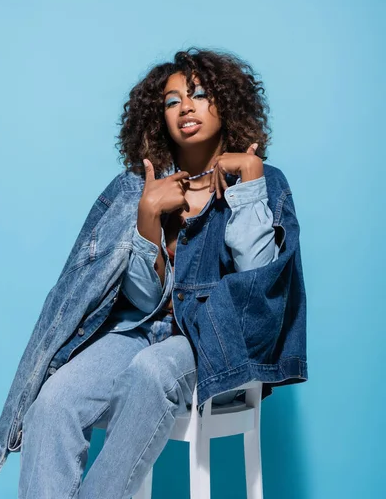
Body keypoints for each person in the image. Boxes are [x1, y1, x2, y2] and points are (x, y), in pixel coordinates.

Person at [18, 47, 281, 498]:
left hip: (213, 342)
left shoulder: (263, 181)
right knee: (54, 400)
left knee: (153, 370)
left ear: (227, 105)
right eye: (173, 100)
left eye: (199, 94)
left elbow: (259, 286)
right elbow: (143, 301)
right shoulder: (141, 189)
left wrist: (250, 183)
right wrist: (147, 215)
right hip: (142, 331)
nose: (186, 107)